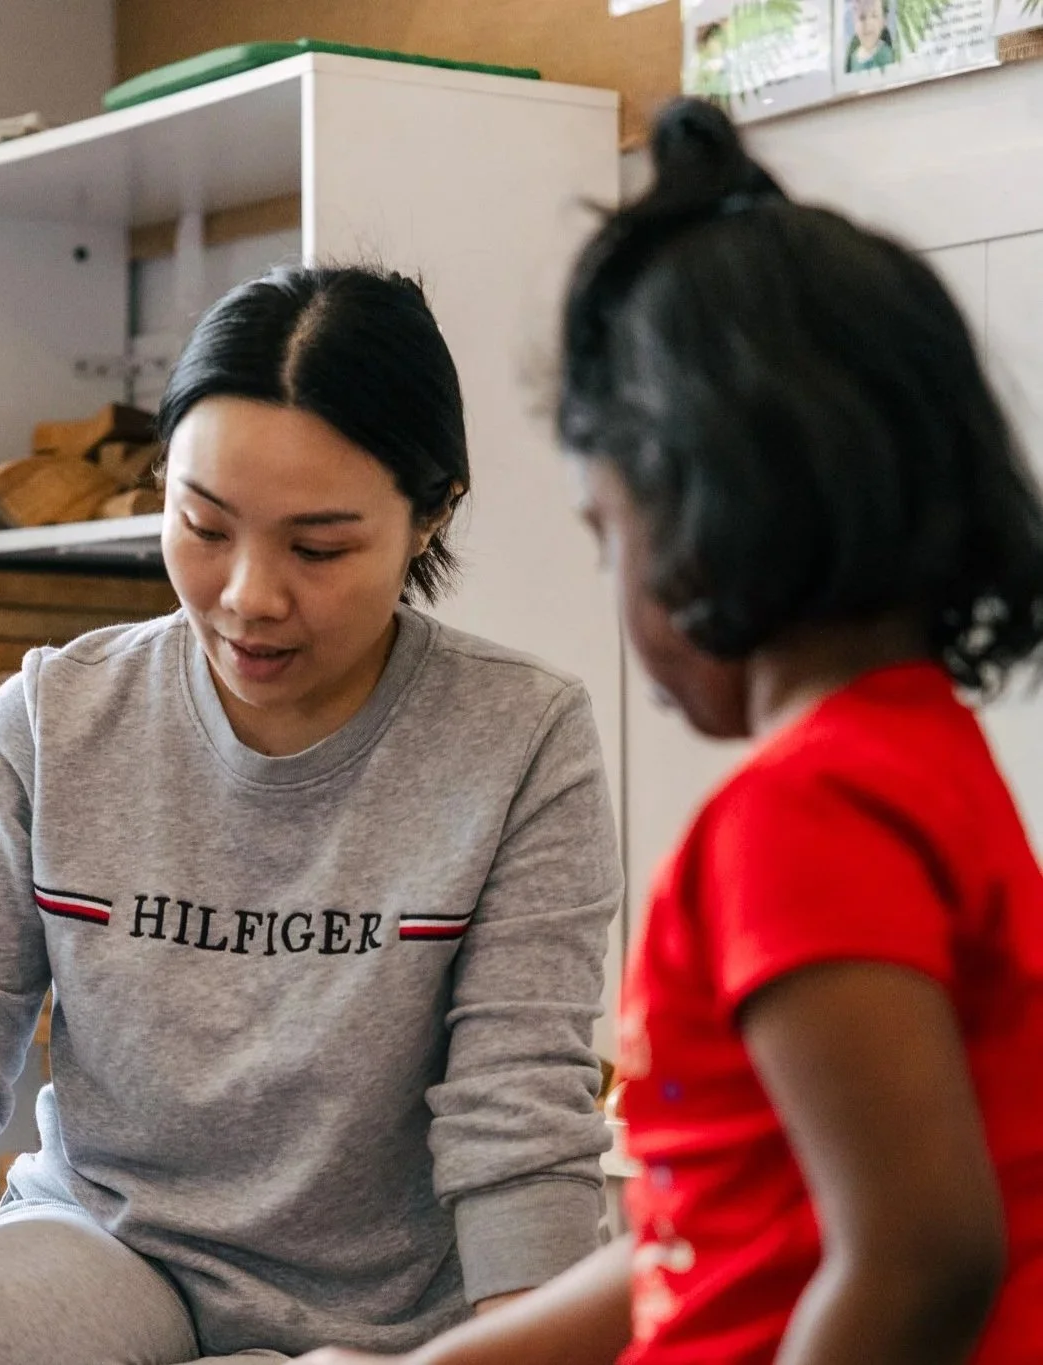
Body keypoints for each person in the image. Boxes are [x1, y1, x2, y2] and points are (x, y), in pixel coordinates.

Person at [0, 264, 624, 1364]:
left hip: (394, 1319)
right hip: (107, 1255)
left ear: (433, 512)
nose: (248, 595)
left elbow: (517, 1112)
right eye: (203, 524)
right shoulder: (48, 719)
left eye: (318, 548)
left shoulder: (520, 738)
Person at [298, 99, 1043, 1365]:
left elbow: (920, 1258)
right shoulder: (922, 757)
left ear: (705, 509)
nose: (612, 581)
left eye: (607, 532)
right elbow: (715, 1240)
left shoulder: (800, 823)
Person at [846, 0, 897, 72]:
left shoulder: (886, 54)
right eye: (862, 17)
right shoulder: (853, 57)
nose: (868, 24)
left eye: (874, 16)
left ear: (884, 20)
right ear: (854, 24)